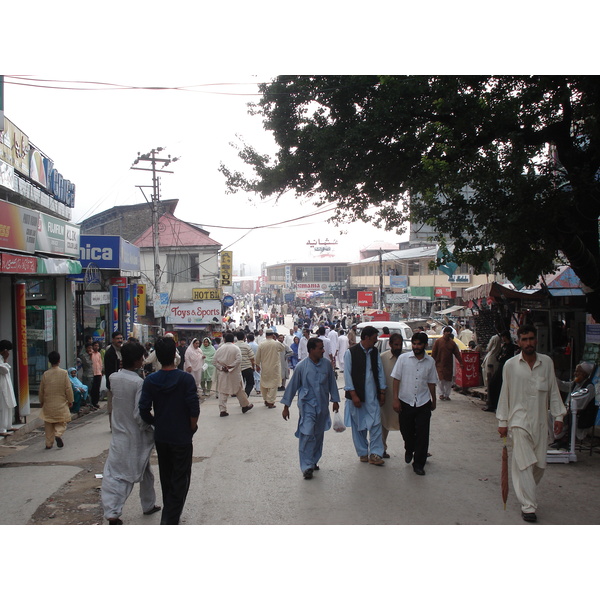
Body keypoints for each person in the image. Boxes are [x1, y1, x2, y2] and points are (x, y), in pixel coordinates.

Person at [497, 324, 566, 523]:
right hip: (518, 422)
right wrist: (502, 421)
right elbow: (505, 394)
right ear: (518, 342)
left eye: (531, 339)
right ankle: (528, 506)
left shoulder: (547, 363)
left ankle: (526, 491)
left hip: (540, 422)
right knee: (525, 464)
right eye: (524, 340)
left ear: (536, 340)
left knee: (539, 465)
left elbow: (553, 391)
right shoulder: (510, 365)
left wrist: (559, 416)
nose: (528, 343)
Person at [139, 336, 200, 525]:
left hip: (162, 435)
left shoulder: (151, 380)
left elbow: (143, 409)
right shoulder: (185, 379)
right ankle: (170, 519)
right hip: (181, 436)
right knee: (181, 479)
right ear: (175, 354)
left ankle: (170, 513)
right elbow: (194, 408)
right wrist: (191, 427)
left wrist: (155, 422)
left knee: (166, 476)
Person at [101, 341, 161, 524]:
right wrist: (152, 426)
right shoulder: (138, 383)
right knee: (124, 476)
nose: (143, 361)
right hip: (134, 436)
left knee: (143, 472)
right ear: (137, 361)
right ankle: (113, 513)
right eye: (142, 358)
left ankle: (148, 504)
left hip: (119, 432)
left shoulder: (114, 378)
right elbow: (139, 415)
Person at [281, 338, 340, 479]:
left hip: (322, 406)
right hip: (307, 406)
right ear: (312, 350)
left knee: (318, 434)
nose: (323, 350)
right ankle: (306, 466)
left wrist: (335, 400)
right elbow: (292, 386)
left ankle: (313, 460)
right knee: (307, 433)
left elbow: (332, 383)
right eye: (320, 348)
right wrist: (286, 406)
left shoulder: (326, 365)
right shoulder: (301, 367)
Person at [391, 332, 438, 476]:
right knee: (407, 431)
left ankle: (419, 464)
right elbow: (396, 380)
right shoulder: (403, 359)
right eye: (414, 344)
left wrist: (433, 400)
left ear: (425, 345)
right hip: (405, 401)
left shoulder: (430, 362)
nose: (416, 347)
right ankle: (409, 447)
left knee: (423, 435)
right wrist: (395, 399)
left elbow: (431, 383)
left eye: (419, 344)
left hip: (423, 402)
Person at [343, 325, 387, 466]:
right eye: (374, 338)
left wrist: (382, 391)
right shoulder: (351, 353)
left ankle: (375, 453)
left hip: (372, 396)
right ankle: (363, 452)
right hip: (357, 397)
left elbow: (379, 372)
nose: (376, 341)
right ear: (366, 338)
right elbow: (347, 375)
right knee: (358, 425)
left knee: (376, 424)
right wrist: (353, 395)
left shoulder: (375, 352)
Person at [552, 361, 597, 448]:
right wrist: (552, 378)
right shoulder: (575, 384)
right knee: (551, 413)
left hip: (581, 416)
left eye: (578, 372)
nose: (575, 373)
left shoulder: (589, 387)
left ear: (584, 374)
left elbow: (581, 405)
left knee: (563, 416)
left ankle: (564, 440)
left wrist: (567, 409)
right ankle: (557, 437)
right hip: (570, 410)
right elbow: (563, 385)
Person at [38, 351, 74, 449]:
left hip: (48, 404)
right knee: (61, 422)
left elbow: (41, 390)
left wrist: (41, 401)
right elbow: (68, 388)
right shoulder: (64, 373)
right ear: (59, 360)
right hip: (61, 403)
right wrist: (70, 400)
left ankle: (48, 443)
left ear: (49, 361)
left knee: (48, 424)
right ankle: (58, 434)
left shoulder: (46, 374)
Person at [213, 332, 254, 417]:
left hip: (223, 373)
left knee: (223, 391)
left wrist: (222, 368)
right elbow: (239, 360)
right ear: (233, 340)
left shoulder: (220, 349)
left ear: (224, 339)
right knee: (239, 389)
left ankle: (223, 410)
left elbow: (214, 361)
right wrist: (230, 367)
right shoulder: (236, 348)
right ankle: (245, 405)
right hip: (234, 373)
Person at [380, 333, 403, 458]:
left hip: (404, 397)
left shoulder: (407, 357)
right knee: (384, 423)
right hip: (387, 397)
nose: (398, 347)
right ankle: (381, 449)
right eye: (396, 345)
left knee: (408, 425)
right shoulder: (382, 358)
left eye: (400, 344)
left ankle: (414, 449)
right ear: (390, 344)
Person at [483, 331, 517, 412]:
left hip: (506, 368)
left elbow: (503, 357)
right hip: (501, 366)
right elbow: (499, 356)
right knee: (493, 385)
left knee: (498, 385)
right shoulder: (504, 346)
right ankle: (493, 405)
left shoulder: (511, 347)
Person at [255, 329, 286, 408]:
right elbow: (283, 348)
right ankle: (271, 402)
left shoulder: (261, 344)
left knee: (264, 384)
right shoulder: (276, 343)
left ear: (265, 335)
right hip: (274, 368)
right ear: (273, 335)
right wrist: (275, 339)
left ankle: (266, 399)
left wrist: (257, 365)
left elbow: (257, 357)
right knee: (273, 385)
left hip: (265, 367)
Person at [431, 326, 463, 401]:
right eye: (447, 332)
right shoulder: (438, 342)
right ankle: (441, 394)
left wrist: (461, 363)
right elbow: (434, 353)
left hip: (448, 364)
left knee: (448, 381)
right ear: (444, 333)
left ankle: (447, 395)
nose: (448, 333)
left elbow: (457, 353)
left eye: (449, 332)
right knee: (440, 380)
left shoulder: (452, 343)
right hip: (439, 364)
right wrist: (432, 362)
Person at [104, 331, 124, 428]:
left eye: (121, 338)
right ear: (113, 340)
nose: (120, 340)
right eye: (117, 338)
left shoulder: (123, 351)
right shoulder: (110, 353)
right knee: (112, 406)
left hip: (123, 383)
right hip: (113, 384)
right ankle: (113, 426)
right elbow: (109, 371)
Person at [0, 340, 17, 436]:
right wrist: (6, 360)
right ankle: (2, 429)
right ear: (5, 350)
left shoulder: (2, 359)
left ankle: (8, 425)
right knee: (3, 407)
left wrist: (5, 360)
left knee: (9, 405)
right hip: (1, 387)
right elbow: (4, 370)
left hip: (5, 386)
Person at [235, 330, 256, 399]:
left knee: (240, 385)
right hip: (247, 367)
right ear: (244, 337)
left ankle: (242, 398)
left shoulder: (234, 346)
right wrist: (253, 367)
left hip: (237, 369)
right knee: (250, 383)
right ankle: (245, 395)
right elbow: (252, 358)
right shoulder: (247, 346)